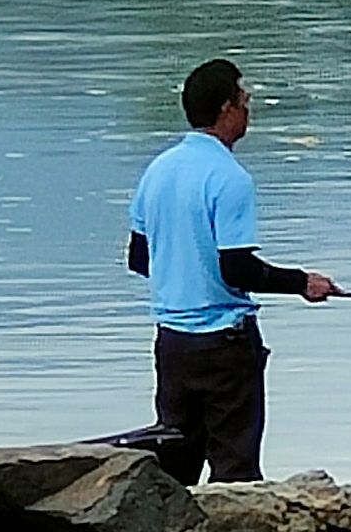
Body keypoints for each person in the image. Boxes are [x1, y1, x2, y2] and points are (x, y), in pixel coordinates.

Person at [125, 57, 337, 484]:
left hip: (172, 345)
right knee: (235, 468)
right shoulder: (229, 177)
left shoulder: (158, 170)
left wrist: (183, 271)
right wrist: (303, 283)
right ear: (226, 109)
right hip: (224, 347)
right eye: (245, 100)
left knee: (174, 468)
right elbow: (238, 268)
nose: (249, 109)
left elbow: (138, 259)